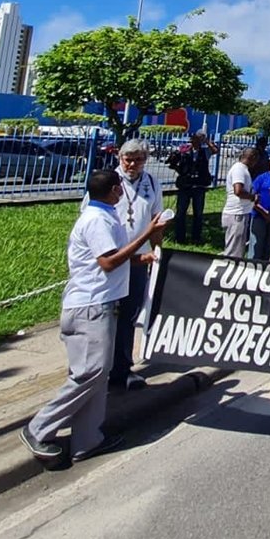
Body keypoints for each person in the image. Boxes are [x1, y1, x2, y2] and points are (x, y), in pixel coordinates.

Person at [20, 170, 164, 464]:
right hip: (89, 306)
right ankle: (39, 428)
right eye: (119, 188)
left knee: (98, 375)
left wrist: (144, 258)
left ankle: (88, 439)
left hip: (102, 304)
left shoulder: (107, 216)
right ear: (113, 190)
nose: (122, 192)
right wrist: (147, 235)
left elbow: (116, 257)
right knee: (91, 373)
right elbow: (108, 262)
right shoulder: (96, 220)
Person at [101, 139, 165, 390]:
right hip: (112, 258)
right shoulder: (108, 181)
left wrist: (158, 252)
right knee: (105, 316)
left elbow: (156, 220)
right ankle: (99, 369)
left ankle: (122, 368)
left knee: (129, 315)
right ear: (119, 157)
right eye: (127, 158)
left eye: (138, 159)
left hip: (140, 260)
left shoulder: (151, 182)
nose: (132, 164)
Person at [168, 129, 216, 245]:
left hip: (199, 185)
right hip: (185, 185)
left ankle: (196, 237)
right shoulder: (184, 150)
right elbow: (173, 163)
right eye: (194, 139)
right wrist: (180, 170)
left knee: (198, 213)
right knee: (181, 213)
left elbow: (215, 150)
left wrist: (207, 140)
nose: (195, 142)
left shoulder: (204, 152)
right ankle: (180, 237)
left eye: (198, 140)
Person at [222, 149, 256, 258]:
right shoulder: (239, 170)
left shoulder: (242, 169)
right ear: (252, 158)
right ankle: (230, 269)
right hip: (237, 214)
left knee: (238, 247)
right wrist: (253, 197)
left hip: (240, 213)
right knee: (234, 250)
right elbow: (238, 191)